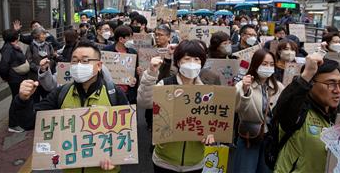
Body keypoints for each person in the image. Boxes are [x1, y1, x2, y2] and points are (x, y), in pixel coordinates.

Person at [11, 41, 128, 172]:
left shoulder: (114, 94)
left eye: (85, 61)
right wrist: (23, 100)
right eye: (74, 61)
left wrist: (115, 156)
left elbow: (127, 133)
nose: (78, 65)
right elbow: (29, 122)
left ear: (99, 65)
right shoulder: (61, 93)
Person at [137, 40, 215, 172]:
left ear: (202, 63)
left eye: (196, 59)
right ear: (178, 62)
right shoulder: (166, 84)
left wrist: (211, 133)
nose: (192, 63)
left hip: (195, 161)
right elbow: (144, 101)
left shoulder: (207, 91)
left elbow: (212, 121)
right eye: (187, 59)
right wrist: (151, 73)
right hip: (165, 160)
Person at [274, 55, 340, 172]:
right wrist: (306, 75)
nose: (338, 90)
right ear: (311, 84)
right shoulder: (298, 110)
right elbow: (282, 108)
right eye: (331, 84)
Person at [233, 49, 284, 172]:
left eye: (271, 64)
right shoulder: (242, 85)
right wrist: (245, 91)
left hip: (270, 137)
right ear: (256, 65)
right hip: (249, 137)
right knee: (245, 169)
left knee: (266, 169)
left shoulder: (278, 87)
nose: (268, 67)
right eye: (264, 64)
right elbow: (236, 108)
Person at [0, 29, 30, 133]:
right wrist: (6, 77)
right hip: (15, 79)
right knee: (16, 100)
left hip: (17, 78)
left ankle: (18, 121)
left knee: (18, 99)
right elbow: (3, 66)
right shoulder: (8, 49)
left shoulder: (11, 46)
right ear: (15, 38)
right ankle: (13, 124)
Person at [103, 25, 138, 104]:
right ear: (121, 39)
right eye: (129, 38)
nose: (131, 40)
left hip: (128, 93)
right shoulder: (107, 52)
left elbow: (134, 71)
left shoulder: (133, 52)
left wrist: (135, 77)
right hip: (110, 91)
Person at [26, 27, 57, 102]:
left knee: (48, 97)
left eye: (45, 34)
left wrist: (48, 66)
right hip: (35, 77)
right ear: (37, 35)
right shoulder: (31, 46)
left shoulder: (48, 45)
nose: (45, 36)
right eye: (43, 34)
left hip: (47, 76)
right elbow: (29, 61)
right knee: (35, 98)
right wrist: (39, 69)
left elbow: (53, 58)